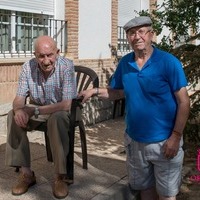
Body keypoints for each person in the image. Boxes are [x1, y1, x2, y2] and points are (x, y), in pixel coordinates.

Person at [79, 16, 190, 200]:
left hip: (165, 142)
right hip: (135, 142)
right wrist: (94, 91)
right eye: (131, 33)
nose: (137, 36)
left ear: (151, 35)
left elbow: (184, 102)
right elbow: (117, 92)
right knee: (144, 190)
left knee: (167, 195)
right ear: (128, 38)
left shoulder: (168, 62)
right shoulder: (125, 63)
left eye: (141, 31)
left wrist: (176, 136)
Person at [5, 35, 77, 199]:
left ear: (57, 52)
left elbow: (67, 104)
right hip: (38, 107)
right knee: (12, 116)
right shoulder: (27, 67)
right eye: (41, 56)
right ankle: (26, 174)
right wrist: (18, 110)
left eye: (50, 55)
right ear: (35, 55)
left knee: (57, 118)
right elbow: (19, 98)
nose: (46, 61)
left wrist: (33, 111)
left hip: (62, 109)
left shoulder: (67, 66)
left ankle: (60, 176)